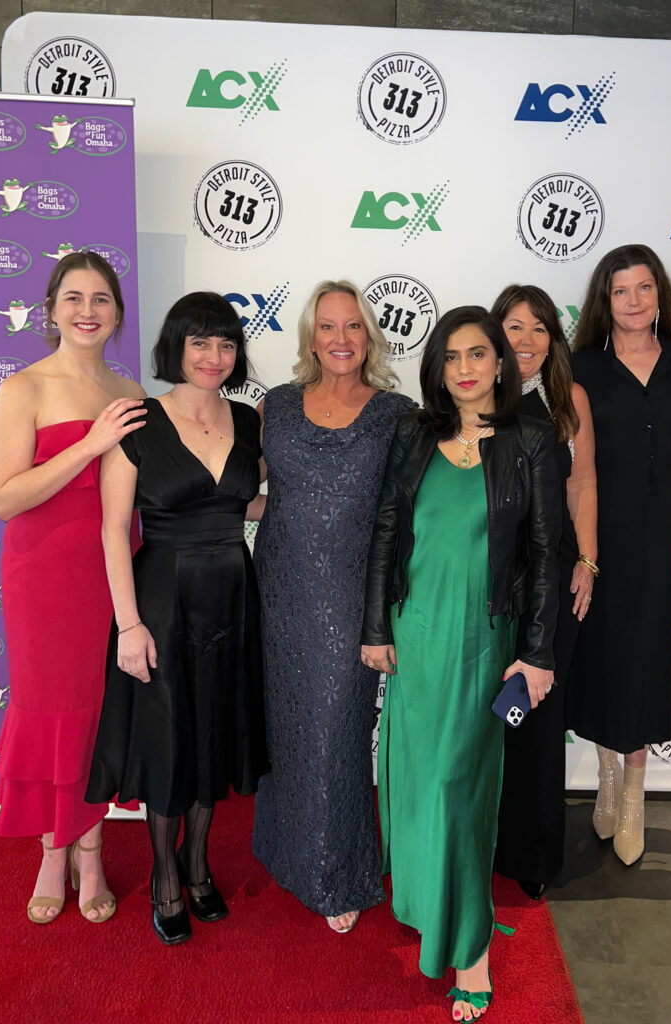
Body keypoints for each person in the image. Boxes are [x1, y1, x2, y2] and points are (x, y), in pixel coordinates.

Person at [361, 306, 562, 1022]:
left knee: (456, 785)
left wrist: (537, 654)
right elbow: (387, 533)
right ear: (438, 368)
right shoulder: (414, 436)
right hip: (414, 634)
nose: (467, 368)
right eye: (452, 357)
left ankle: (470, 949)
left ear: (502, 363)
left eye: (479, 353)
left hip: (484, 640)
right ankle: (431, 908)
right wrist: (373, 625)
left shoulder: (533, 440)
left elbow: (546, 555)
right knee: (415, 782)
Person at [85, 292, 269, 945]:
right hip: (160, 601)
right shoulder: (136, 421)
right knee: (168, 744)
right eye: (200, 343)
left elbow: (244, 505)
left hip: (232, 599)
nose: (213, 356)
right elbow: (113, 530)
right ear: (176, 348)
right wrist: (129, 626)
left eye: (224, 344)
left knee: (212, 735)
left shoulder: (250, 421)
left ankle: (198, 866)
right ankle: (166, 877)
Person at [251, 280, 414, 934]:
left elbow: (408, 513)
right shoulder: (278, 405)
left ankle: (338, 870)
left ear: (369, 336)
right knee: (285, 729)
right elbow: (255, 488)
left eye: (352, 326)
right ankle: (282, 849)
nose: (341, 339)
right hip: (280, 589)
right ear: (309, 337)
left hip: (354, 598)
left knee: (337, 733)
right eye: (327, 327)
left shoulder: (396, 413)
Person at [0, 252, 145, 924]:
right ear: (52, 309)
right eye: (74, 298)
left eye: (101, 299)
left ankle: (91, 849)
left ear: (116, 312)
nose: (88, 311)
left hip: (111, 572)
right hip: (42, 575)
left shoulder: (132, 391)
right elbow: (4, 498)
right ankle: (54, 851)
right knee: (48, 707)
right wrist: (88, 445)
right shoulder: (23, 387)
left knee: (95, 712)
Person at [569, 244, 671, 865]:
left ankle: (635, 797)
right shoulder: (581, 369)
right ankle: (605, 776)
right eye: (620, 290)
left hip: (658, 540)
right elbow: (571, 463)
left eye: (644, 288)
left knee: (647, 660)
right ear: (606, 299)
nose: (633, 301)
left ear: (659, 295)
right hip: (599, 534)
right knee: (599, 654)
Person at [489, 284, 597, 899]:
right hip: (490, 575)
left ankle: (531, 855)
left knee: (536, 711)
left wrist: (588, 559)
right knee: (486, 714)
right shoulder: (476, 395)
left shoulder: (567, 399)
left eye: (538, 328)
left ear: (553, 338)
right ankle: (478, 840)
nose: (525, 340)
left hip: (552, 576)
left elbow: (583, 486)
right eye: (513, 326)